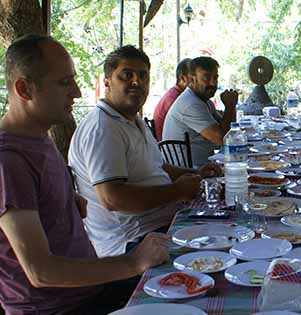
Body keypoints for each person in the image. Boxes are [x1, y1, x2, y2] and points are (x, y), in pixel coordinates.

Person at [0, 34, 170, 315]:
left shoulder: (38, 138)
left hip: (90, 290)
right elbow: (40, 271)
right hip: (61, 308)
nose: (77, 92)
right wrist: (133, 262)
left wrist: (67, 200)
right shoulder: (9, 160)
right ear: (24, 89)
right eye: (64, 83)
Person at [69, 46, 222, 257]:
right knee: (220, 249)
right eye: (126, 75)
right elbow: (113, 198)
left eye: (143, 76)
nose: (136, 82)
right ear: (107, 82)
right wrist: (177, 191)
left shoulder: (131, 119)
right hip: (131, 242)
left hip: (161, 222)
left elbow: (158, 167)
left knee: (232, 222)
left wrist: (196, 174)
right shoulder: (102, 127)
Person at [162, 56, 238, 167]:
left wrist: (232, 105)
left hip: (203, 165)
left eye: (215, 77)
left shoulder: (204, 101)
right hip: (187, 171)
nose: (213, 83)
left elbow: (229, 130)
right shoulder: (191, 104)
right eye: (206, 77)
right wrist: (229, 107)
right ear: (192, 80)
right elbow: (222, 138)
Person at [153, 58, 192, 141]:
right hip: (170, 149)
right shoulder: (174, 99)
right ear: (183, 79)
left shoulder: (177, 94)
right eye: (193, 78)